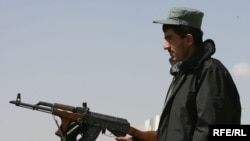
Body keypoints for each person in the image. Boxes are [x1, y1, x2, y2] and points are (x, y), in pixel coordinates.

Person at [115, 7, 241, 141]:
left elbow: (212, 132)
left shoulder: (210, 71)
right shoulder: (183, 75)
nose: (165, 46)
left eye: (169, 38)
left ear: (188, 40)